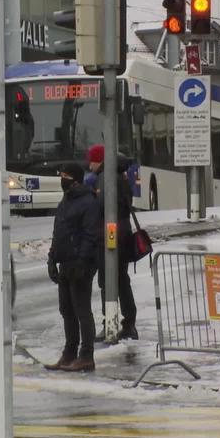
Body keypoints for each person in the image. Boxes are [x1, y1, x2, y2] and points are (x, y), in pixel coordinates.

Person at [45, 163, 101, 372]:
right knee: (66, 309)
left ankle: (86, 355)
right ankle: (69, 353)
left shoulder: (88, 202)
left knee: (81, 310)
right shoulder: (66, 200)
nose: (62, 178)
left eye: (65, 175)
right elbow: (59, 230)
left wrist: (82, 261)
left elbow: (90, 234)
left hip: (81, 265)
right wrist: (52, 258)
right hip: (65, 263)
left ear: (76, 179)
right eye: (61, 175)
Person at [86, 143, 138, 341]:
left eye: (91, 159)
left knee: (107, 280)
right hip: (122, 232)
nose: (88, 163)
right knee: (121, 280)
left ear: (98, 160)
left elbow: (100, 207)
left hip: (109, 235)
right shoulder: (119, 177)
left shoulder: (104, 178)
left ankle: (111, 323)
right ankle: (128, 322)